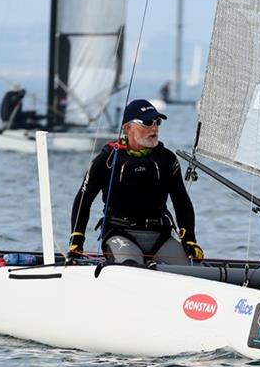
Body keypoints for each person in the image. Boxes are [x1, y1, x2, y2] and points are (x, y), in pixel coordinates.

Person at [68, 99, 204, 265]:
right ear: (127, 128)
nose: (154, 127)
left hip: (160, 235)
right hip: (121, 234)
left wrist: (189, 240)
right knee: (131, 268)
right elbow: (84, 198)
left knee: (189, 270)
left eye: (157, 122)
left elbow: (181, 201)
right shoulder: (108, 159)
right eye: (147, 122)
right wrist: (77, 239)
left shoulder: (166, 159)